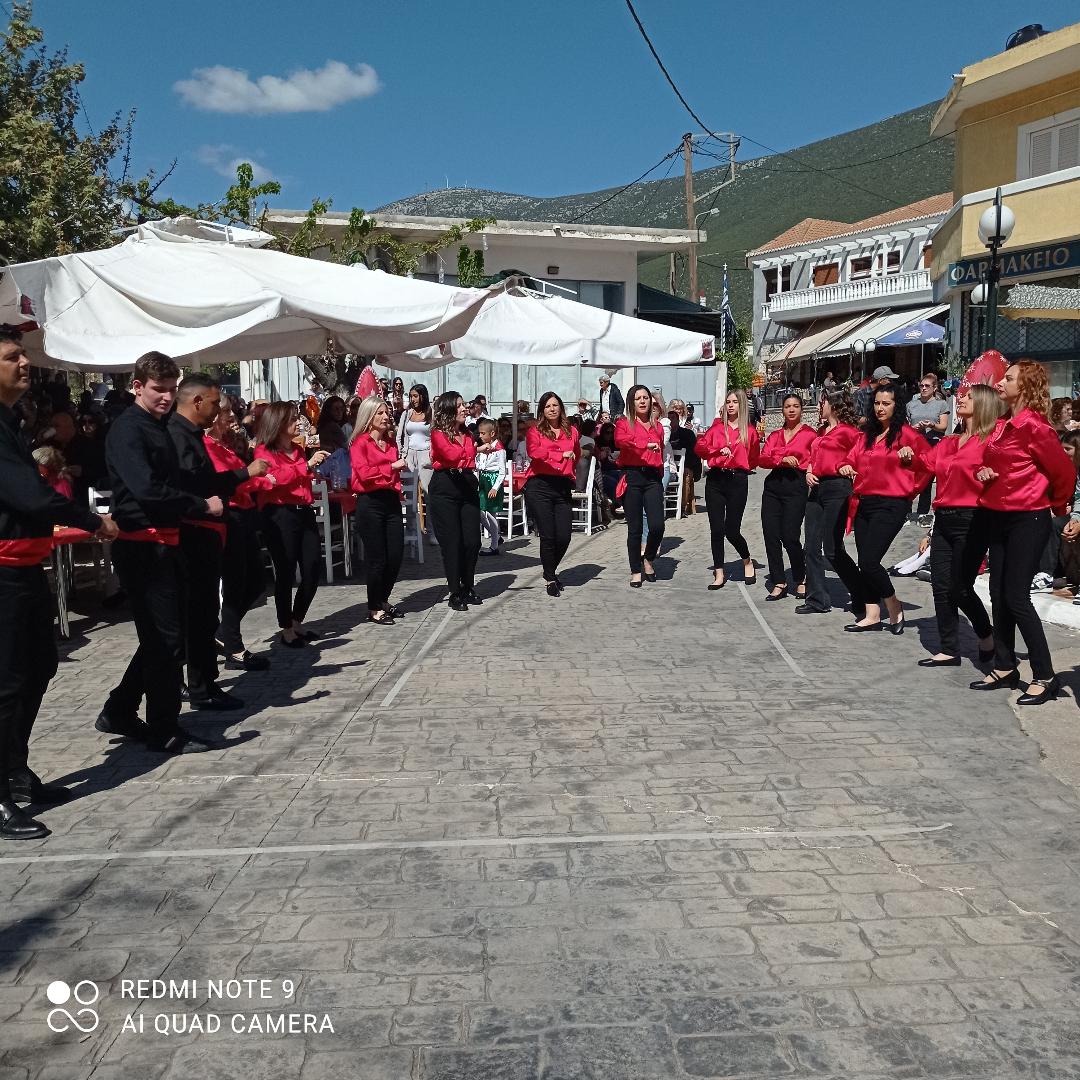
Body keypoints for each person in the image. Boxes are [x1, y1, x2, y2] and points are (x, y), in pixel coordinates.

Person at [0, 328, 116, 839]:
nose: (25, 363)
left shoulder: (11, 421)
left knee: (37, 667)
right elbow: (28, 495)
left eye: (23, 355)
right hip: (3, 570)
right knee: (8, 682)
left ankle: (15, 770)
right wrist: (91, 520)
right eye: (12, 357)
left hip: (25, 567)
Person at [99, 352, 228, 755]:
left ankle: (120, 709)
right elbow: (147, 489)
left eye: (172, 389)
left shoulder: (159, 426)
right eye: (159, 389)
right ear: (137, 386)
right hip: (142, 546)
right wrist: (200, 505)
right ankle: (164, 727)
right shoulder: (128, 429)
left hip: (166, 542)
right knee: (167, 640)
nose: (167, 397)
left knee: (165, 637)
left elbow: (176, 482)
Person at [967, 361, 1076, 703]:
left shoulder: (1036, 428)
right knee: (998, 594)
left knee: (1016, 597)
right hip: (998, 517)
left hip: (1028, 519)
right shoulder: (1002, 424)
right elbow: (991, 462)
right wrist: (985, 471)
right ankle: (1005, 666)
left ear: (1025, 387)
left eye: (1009, 378)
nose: (1000, 382)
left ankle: (1045, 675)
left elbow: (1064, 474)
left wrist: (1058, 508)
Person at [170, 373, 268, 710]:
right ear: (197, 401)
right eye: (215, 405)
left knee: (206, 610)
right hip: (193, 530)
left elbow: (208, 481)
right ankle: (193, 686)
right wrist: (244, 474)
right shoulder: (177, 435)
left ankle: (205, 683)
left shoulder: (193, 436)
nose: (219, 412)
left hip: (211, 529)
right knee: (193, 615)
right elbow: (195, 485)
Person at [916, 385, 1003, 667]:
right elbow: (922, 465)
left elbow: (1004, 475)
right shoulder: (949, 442)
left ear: (983, 404)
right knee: (940, 585)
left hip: (973, 518)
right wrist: (905, 450)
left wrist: (989, 474)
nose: (961, 399)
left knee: (960, 587)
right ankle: (949, 649)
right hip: (943, 518)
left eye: (968, 397)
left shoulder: (991, 441)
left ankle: (986, 634)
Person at [838, 386, 929, 633]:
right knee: (864, 561)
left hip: (892, 504)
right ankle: (872, 614)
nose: (880, 408)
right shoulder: (866, 435)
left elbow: (930, 464)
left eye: (886, 403)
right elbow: (850, 458)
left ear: (896, 406)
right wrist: (845, 466)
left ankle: (893, 603)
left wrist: (910, 484)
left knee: (869, 561)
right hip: (864, 502)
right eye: (877, 403)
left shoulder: (907, 435)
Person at [204, 397, 274, 671]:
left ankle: (224, 634)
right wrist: (257, 477)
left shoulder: (223, 444)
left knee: (254, 582)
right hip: (230, 515)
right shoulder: (207, 446)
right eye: (226, 412)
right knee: (237, 582)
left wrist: (257, 478)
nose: (232, 416)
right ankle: (233, 646)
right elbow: (229, 481)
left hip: (242, 514)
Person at [254, 402, 330, 647]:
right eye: (292, 419)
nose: (298, 423)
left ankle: (297, 619)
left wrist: (311, 470)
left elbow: (297, 477)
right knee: (285, 571)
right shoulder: (264, 451)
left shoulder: (297, 450)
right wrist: (305, 466)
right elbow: (275, 479)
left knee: (312, 567)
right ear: (278, 424)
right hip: (280, 514)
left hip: (303, 511)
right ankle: (286, 627)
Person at [800, 390, 862, 615]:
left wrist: (848, 467)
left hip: (838, 487)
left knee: (832, 548)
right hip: (817, 488)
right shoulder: (821, 431)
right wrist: (809, 471)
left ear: (834, 406)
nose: (820, 406)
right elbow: (813, 457)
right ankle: (816, 599)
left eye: (823, 402)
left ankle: (861, 592)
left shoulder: (849, 432)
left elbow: (861, 456)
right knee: (811, 546)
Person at [349, 396, 407, 625]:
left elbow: (388, 476)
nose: (386, 416)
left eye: (387, 412)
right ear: (369, 416)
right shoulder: (360, 443)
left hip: (390, 500)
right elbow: (364, 474)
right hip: (370, 501)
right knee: (377, 558)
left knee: (395, 554)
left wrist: (390, 472)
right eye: (380, 413)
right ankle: (374, 607)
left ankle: (382, 599)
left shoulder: (390, 443)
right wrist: (390, 467)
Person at [696, 390, 758, 589]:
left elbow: (754, 459)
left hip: (737, 480)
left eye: (735, 402)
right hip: (716, 479)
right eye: (728, 402)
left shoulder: (750, 432)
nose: (730, 405)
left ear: (742, 405)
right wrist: (716, 451)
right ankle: (719, 572)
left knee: (732, 530)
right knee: (716, 529)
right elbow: (700, 448)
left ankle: (747, 560)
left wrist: (739, 465)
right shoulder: (716, 429)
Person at [758, 393, 817, 601]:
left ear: (802, 409)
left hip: (796, 486)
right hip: (773, 487)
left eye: (795, 406)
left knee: (790, 535)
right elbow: (762, 459)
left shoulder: (810, 434)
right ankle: (779, 581)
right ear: (782, 410)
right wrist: (782, 458)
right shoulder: (775, 435)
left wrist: (802, 466)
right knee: (771, 535)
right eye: (787, 406)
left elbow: (815, 460)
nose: (791, 410)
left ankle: (801, 576)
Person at [429, 392, 482, 610]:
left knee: (472, 541)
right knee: (452, 543)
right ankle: (455, 591)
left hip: (467, 484)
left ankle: (468, 585)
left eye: (464, 404)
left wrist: (466, 458)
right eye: (459, 405)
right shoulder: (438, 433)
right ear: (449, 409)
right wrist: (467, 457)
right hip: (445, 487)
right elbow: (450, 456)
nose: (464, 408)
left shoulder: (467, 433)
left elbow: (467, 458)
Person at [525, 392, 581, 595]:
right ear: (542, 410)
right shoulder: (534, 431)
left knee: (564, 536)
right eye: (547, 406)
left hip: (562, 485)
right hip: (540, 485)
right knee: (548, 535)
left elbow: (576, 454)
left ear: (561, 408)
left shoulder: (572, 431)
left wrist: (569, 469)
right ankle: (550, 578)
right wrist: (558, 455)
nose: (552, 409)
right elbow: (534, 452)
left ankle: (549, 569)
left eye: (555, 405)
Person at [615, 385, 665, 587]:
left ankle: (648, 558)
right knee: (634, 528)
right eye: (638, 398)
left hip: (652, 478)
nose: (643, 401)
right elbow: (620, 441)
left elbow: (661, 451)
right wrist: (644, 445)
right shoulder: (623, 424)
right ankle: (635, 569)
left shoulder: (657, 426)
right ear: (631, 402)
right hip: (633, 477)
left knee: (657, 525)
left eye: (646, 397)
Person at [906, 375, 951, 523]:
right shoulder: (911, 404)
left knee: (927, 479)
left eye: (927, 386)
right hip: (915, 443)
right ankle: (906, 512)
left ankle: (923, 513)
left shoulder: (941, 404)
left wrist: (932, 425)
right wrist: (914, 428)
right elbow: (906, 427)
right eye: (922, 386)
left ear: (934, 388)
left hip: (933, 444)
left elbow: (943, 426)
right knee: (910, 478)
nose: (924, 388)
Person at [475, 419, 507, 557]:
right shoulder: (484, 447)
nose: (480, 436)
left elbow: (502, 471)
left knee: (490, 512)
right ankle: (496, 536)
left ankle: (494, 546)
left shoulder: (500, 449)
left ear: (492, 433)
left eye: (483, 433)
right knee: (479, 511)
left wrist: (495, 487)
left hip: (493, 481)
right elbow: (480, 464)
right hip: (483, 480)